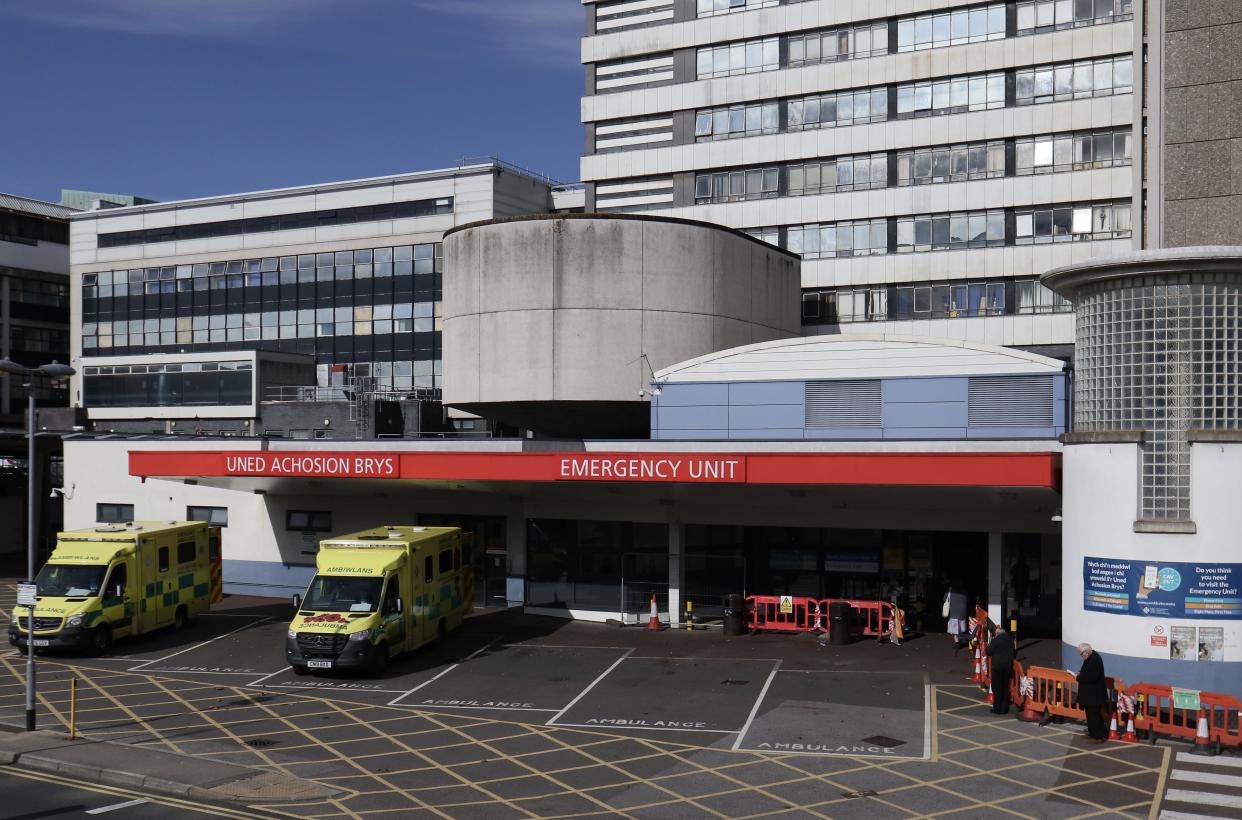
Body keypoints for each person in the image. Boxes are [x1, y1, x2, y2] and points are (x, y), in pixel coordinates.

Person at [1074, 642, 1108, 742]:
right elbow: (1088, 672)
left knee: (1095, 715)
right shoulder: (1091, 657)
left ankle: (1099, 736)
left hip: (1095, 694)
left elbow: (1091, 677)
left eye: (1081, 654)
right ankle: (1092, 733)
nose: (1081, 656)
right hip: (1090, 694)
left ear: (1086, 652)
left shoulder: (1095, 660)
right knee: (1090, 715)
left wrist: (1079, 677)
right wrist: (1081, 673)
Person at [987, 627, 1015, 715]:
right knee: (1005, 687)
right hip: (1007, 666)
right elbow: (1014, 652)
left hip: (998, 666)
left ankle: (997, 708)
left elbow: (989, 652)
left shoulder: (996, 640)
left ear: (997, 634)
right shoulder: (1010, 640)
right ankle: (1004, 708)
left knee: (997, 687)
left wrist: (991, 641)